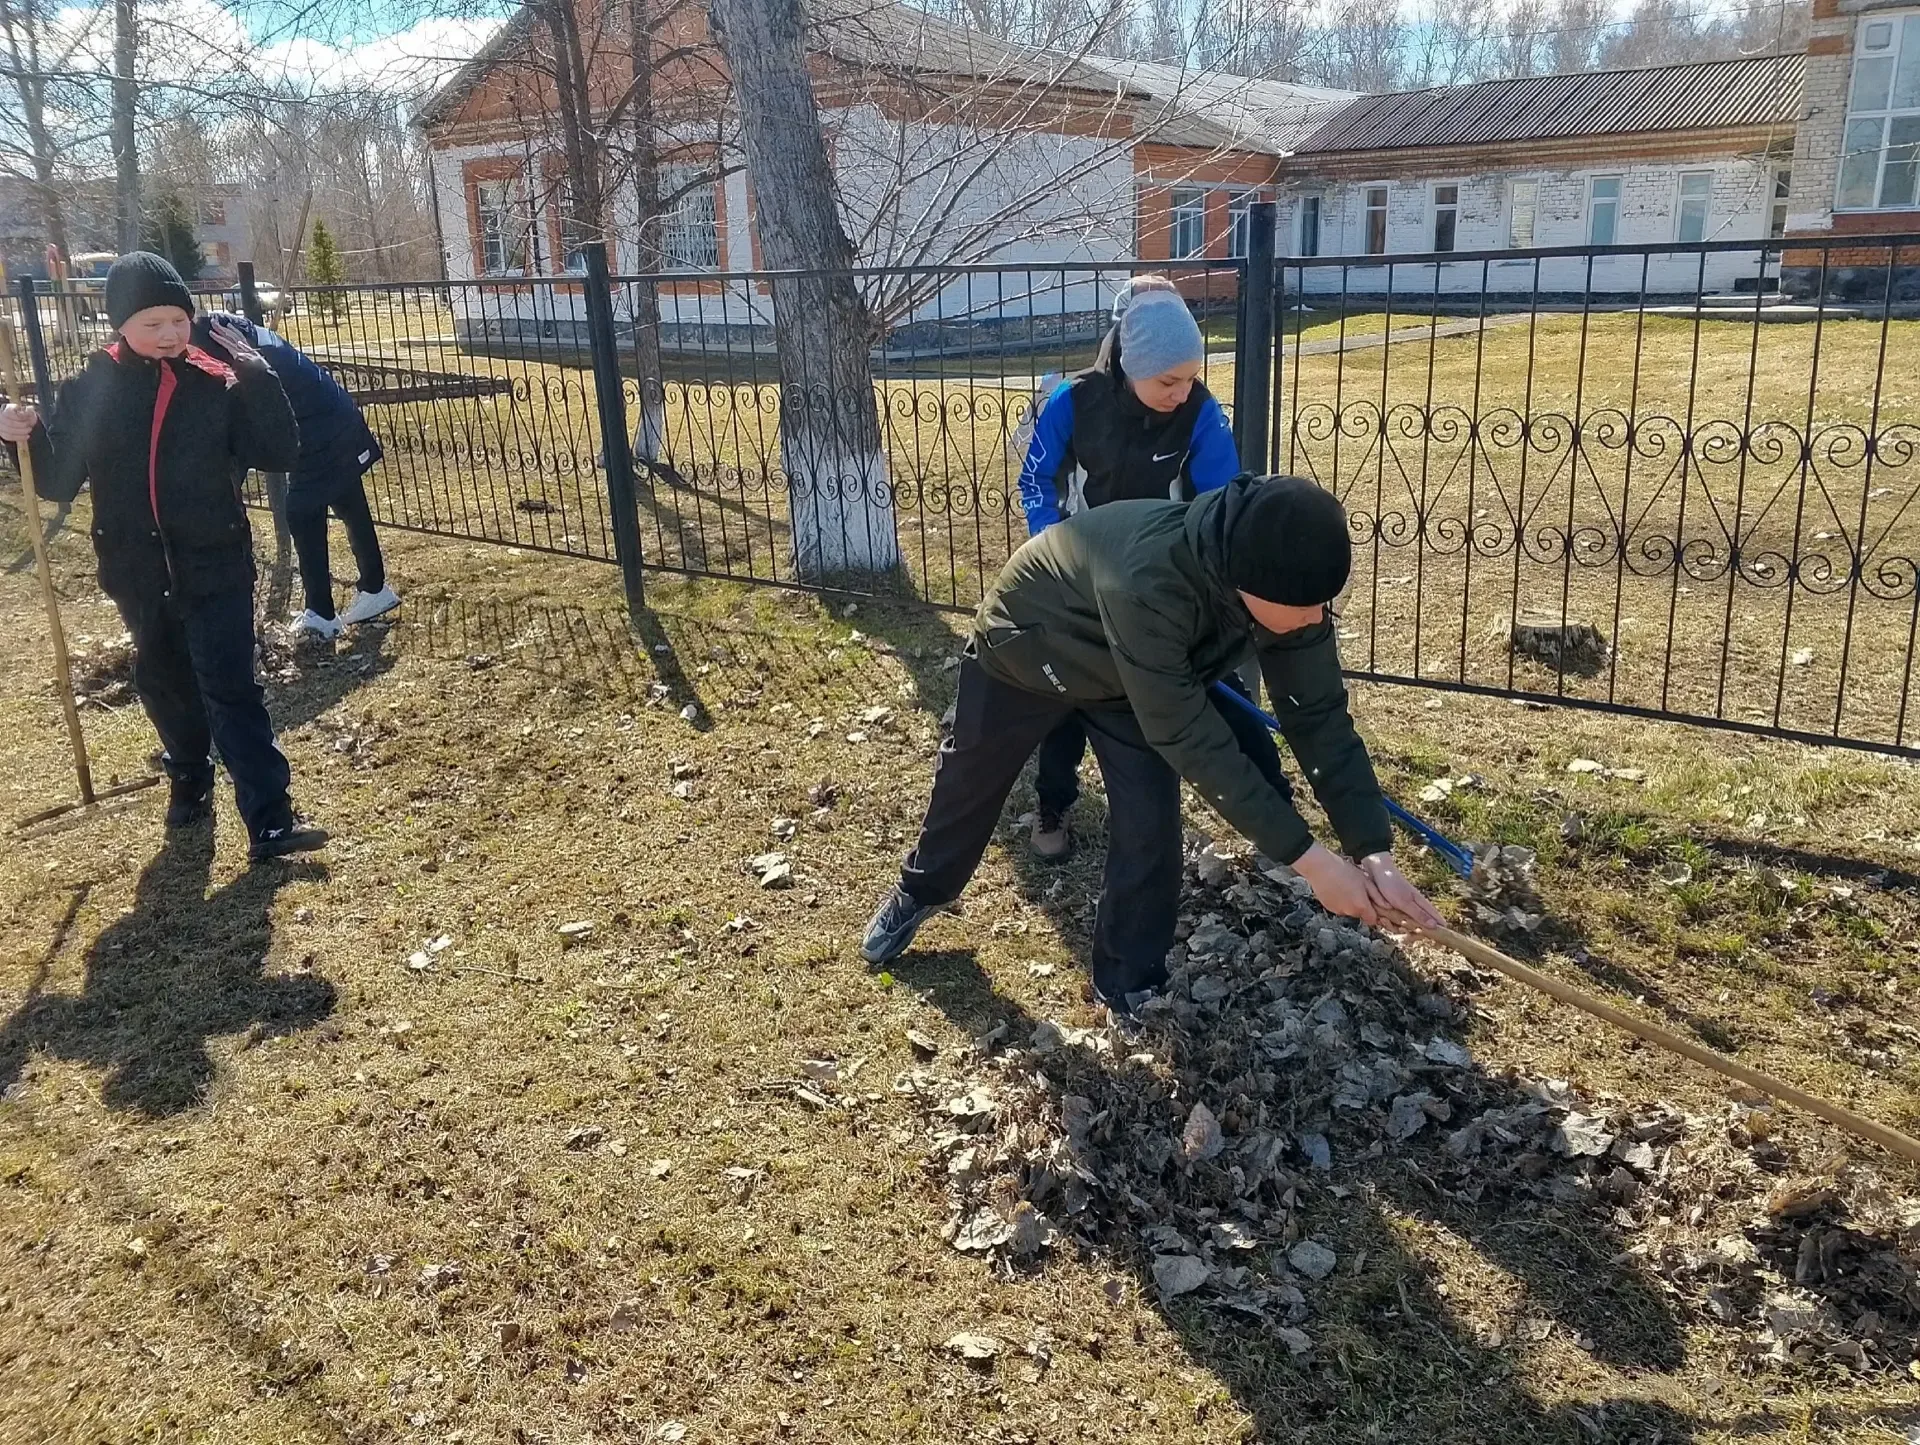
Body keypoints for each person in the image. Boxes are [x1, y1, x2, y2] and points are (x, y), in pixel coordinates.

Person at [861, 474, 1444, 1013]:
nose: (1317, 617)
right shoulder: (1150, 579)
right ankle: (921, 889)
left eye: (1324, 603)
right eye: (1307, 606)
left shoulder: (1288, 588)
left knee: (1150, 823)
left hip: (1128, 684)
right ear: (1247, 583)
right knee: (969, 780)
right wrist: (1313, 864)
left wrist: (1373, 852)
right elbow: (1193, 739)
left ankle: (1126, 982)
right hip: (1030, 647)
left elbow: (1320, 720)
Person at [0, 252, 328, 863]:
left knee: (232, 687)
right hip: (137, 569)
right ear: (120, 324)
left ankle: (271, 820)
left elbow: (279, 451)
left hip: (215, 562)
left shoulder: (215, 381)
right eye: (153, 324)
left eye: (179, 319)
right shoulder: (90, 388)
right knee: (165, 681)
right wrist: (22, 433)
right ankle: (189, 775)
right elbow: (56, 481)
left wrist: (259, 377)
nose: (172, 334)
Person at [1014, 277, 1288, 862]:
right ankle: (1052, 804)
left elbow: (1221, 501)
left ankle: (1278, 811)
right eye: (1168, 381)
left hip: (1168, 581)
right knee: (1066, 697)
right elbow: (1037, 478)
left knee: (1222, 689)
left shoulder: (1199, 412)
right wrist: (1053, 548)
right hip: (1082, 576)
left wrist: (1209, 577)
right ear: (1132, 363)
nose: (1182, 392)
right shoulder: (1074, 401)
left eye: (1190, 377)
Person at [190, 309, 396, 639]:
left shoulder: (214, 342)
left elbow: (237, 419)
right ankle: (375, 589)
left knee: (301, 513)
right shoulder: (225, 327)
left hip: (316, 426)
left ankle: (321, 614)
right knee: (347, 499)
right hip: (333, 411)